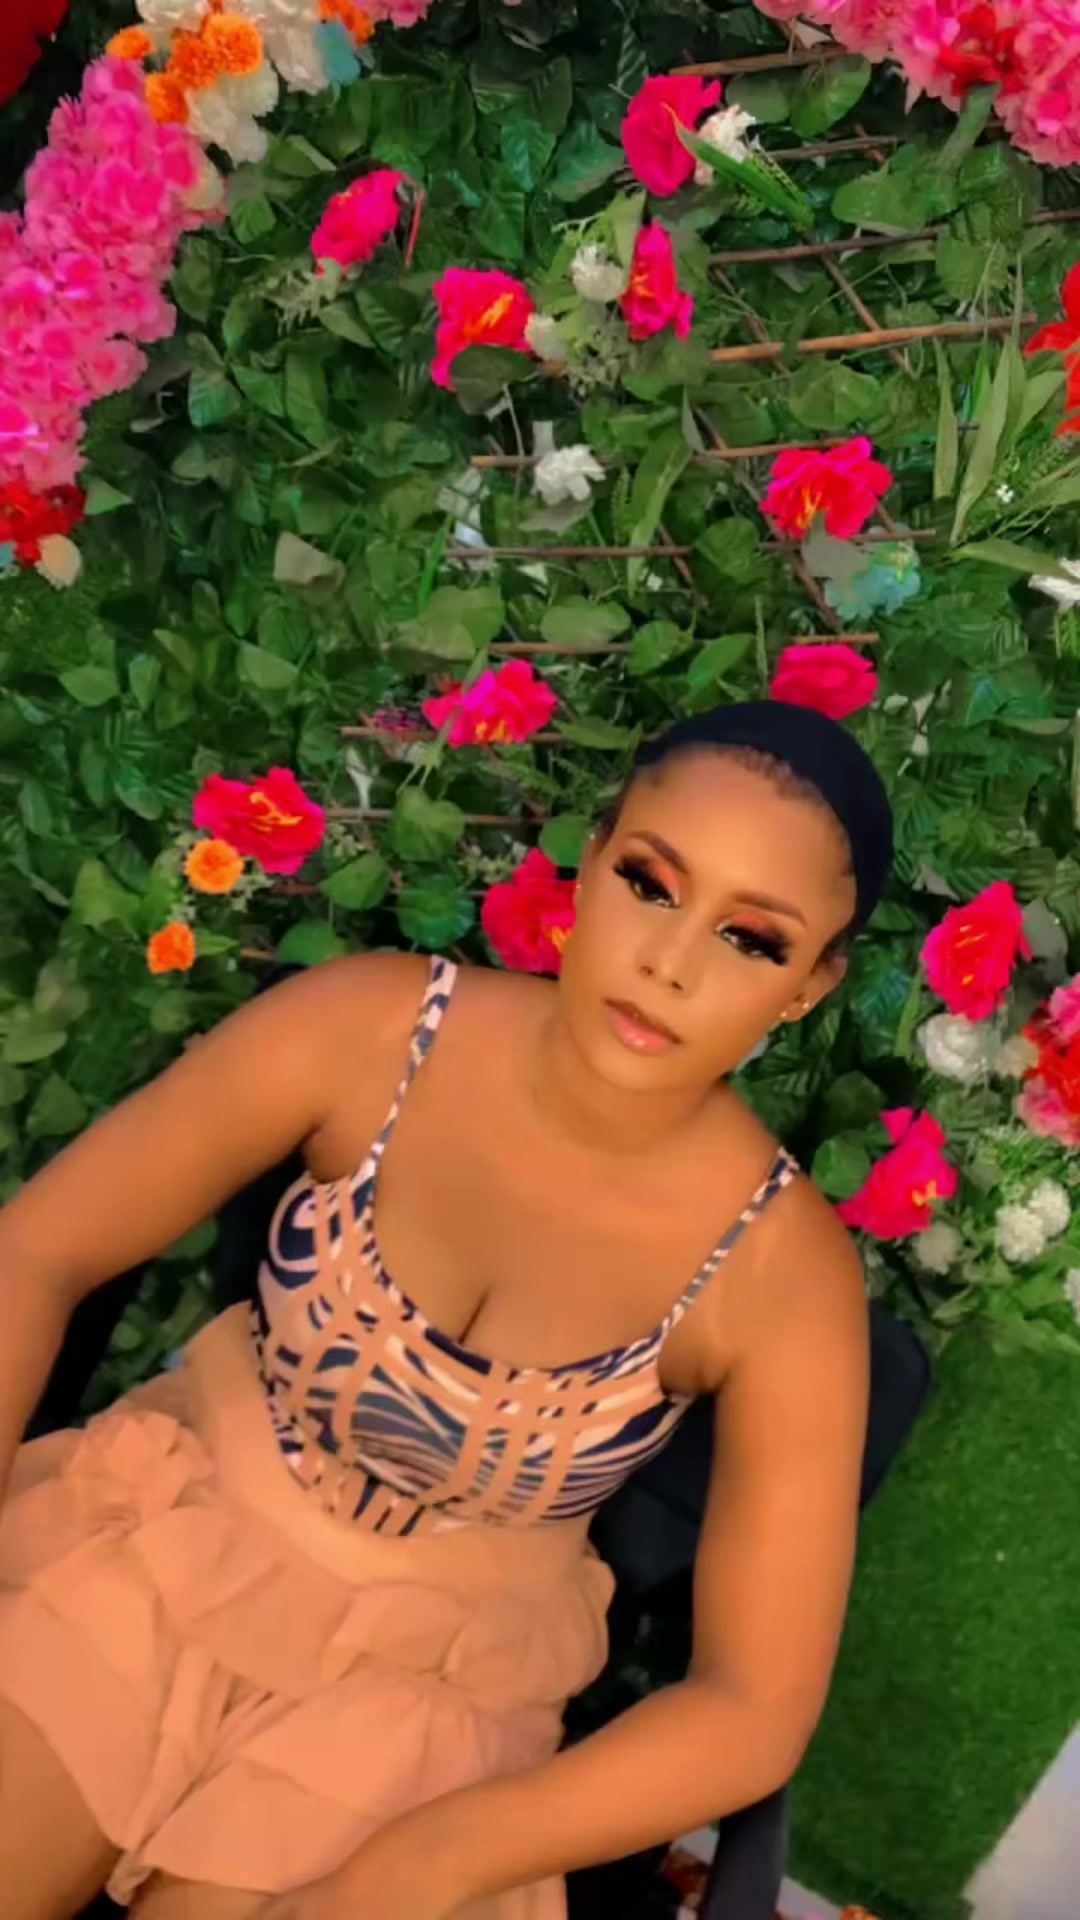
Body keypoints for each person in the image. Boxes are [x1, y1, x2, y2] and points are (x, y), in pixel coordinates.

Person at [0, 701, 893, 1920]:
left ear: (809, 986)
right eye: (649, 883)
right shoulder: (370, 1028)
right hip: (166, 1540)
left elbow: (754, 1708)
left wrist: (434, 1860)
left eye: (750, 938)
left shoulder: (782, 1276)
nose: (669, 964)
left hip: (429, 1706)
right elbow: (38, 1249)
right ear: (590, 860)